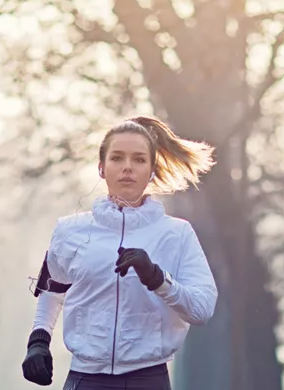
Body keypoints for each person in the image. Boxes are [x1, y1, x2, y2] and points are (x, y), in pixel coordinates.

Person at [21, 115, 219, 390]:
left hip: (148, 379)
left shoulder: (177, 234)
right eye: (117, 158)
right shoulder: (70, 231)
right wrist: (38, 341)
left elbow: (202, 310)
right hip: (85, 379)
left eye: (138, 159)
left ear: (151, 170)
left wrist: (157, 278)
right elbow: (52, 290)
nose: (127, 167)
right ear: (101, 168)